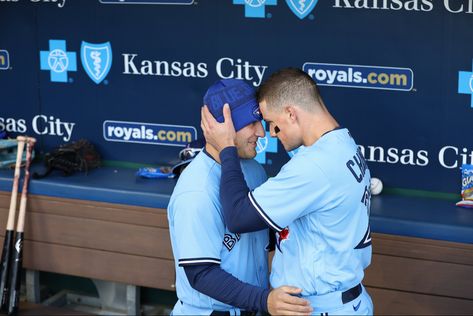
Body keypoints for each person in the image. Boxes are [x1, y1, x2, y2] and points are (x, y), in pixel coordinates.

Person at [201, 68, 374, 315]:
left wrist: (227, 147)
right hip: (344, 301)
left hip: (319, 307)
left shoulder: (315, 165)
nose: (270, 133)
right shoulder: (344, 143)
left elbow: (238, 217)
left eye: (272, 123)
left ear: (291, 113)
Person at [168, 78, 312, 315]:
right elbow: (201, 274)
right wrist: (265, 300)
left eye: (260, 121)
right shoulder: (196, 190)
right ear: (223, 127)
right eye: (250, 123)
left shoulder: (253, 169)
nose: (261, 132)